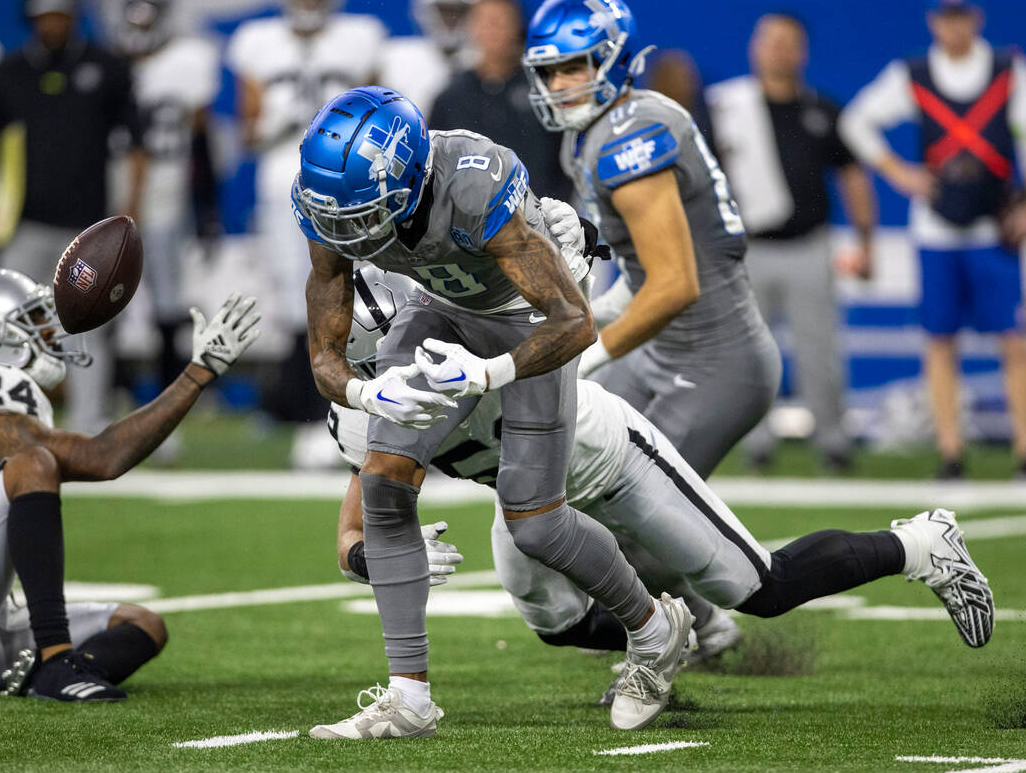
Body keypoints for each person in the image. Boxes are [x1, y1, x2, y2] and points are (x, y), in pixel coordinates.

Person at [330, 264, 994, 709]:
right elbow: (354, 533)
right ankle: (683, 632)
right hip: (524, 495)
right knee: (555, 622)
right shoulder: (360, 414)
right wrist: (379, 555)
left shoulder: (466, 328)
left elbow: (559, 324)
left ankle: (918, 543)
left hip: (604, 455)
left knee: (762, 589)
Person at [294, 84, 691, 737]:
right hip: (440, 313)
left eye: (359, 214)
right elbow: (325, 357)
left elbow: (573, 321)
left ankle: (653, 631)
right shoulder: (335, 207)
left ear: (409, 179)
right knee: (384, 481)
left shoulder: (475, 183)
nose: (342, 232)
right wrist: (369, 394)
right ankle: (409, 697)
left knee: (536, 524)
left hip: (526, 318)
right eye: (332, 216)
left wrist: (487, 374)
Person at [0, 266, 260, 698]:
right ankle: (56, 661)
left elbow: (97, 457)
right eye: (31, 320)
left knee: (141, 625)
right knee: (32, 463)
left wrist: (197, 373)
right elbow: (100, 459)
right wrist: (195, 374)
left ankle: (53, 672)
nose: (49, 331)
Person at [522, 0, 781, 481]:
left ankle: (908, 546)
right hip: (660, 349)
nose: (557, 85)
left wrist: (586, 352)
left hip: (714, 361)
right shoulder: (589, 135)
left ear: (613, 57)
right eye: (549, 72)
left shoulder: (632, 135)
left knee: (637, 518)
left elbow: (674, 285)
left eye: (573, 68)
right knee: (561, 477)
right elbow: (641, 278)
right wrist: (579, 327)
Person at [840, 0, 1026, 479]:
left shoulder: (1008, 72)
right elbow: (855, 121)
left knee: (1015, 340)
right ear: (933, 22)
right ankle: (951, 452)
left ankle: (1024, 452)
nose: (954, 27)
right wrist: (898, 172)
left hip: (994, 228)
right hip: (936, 228)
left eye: (962, 17)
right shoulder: (913, 75)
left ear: (976, 20)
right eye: (946, 18)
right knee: (939, 340)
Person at [706, 12, 878, 472]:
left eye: (788, 42)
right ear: (755, 47)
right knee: (748, 355)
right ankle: (754, 442)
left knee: (819, 351)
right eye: (771, 41)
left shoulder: (821, 109)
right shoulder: (725, 108)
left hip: (809, 246)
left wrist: (866, 241)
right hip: (748, 249)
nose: (779, 50)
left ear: (802, 51)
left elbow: (852, 173)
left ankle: (833, 440)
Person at [0, 0, 147, 435]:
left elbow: (137, 141)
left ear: (74, 17)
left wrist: (131, 207)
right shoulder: (9, 73)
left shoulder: (106, 67)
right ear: (32, 18)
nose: (53, 24)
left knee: (85, 327)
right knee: (9, 322)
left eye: (60, 15)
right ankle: (8, 417)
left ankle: (89, 425)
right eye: (45, 16)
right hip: (21, 222)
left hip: (87, 227)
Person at [229, 0, 386, 468]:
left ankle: (344, 403)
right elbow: (248, 130)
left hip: (348, 184)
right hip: (283, 184)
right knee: (298, 298)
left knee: (358, 288)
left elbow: (381, 111)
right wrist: (278, 123)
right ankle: (304, 408)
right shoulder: (258, 42)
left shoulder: (360, 37)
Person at [101, 0, 220, 415]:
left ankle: (171, 391)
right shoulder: (106, 65)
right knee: (104, 294)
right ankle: (113, 385)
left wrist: (208, 206)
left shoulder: (190, 60)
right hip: (115, 186)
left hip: (167, 189)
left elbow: (201, 138)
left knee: (169, 298)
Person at [430, 0, 567, 199]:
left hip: (541, 218)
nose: (493, 31)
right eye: (486, 22)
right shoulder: (451, 97)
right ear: (471, 28)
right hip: (469, 224)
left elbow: (566, 159)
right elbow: (433, 167)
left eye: (502, 22)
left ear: (517, 27)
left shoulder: (545, 88)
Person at [380, 0, 481, 119]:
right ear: (426, 11)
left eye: (458, 11)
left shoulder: (485, 59)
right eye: (444, 11)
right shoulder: (396, 58)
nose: (450, 19)